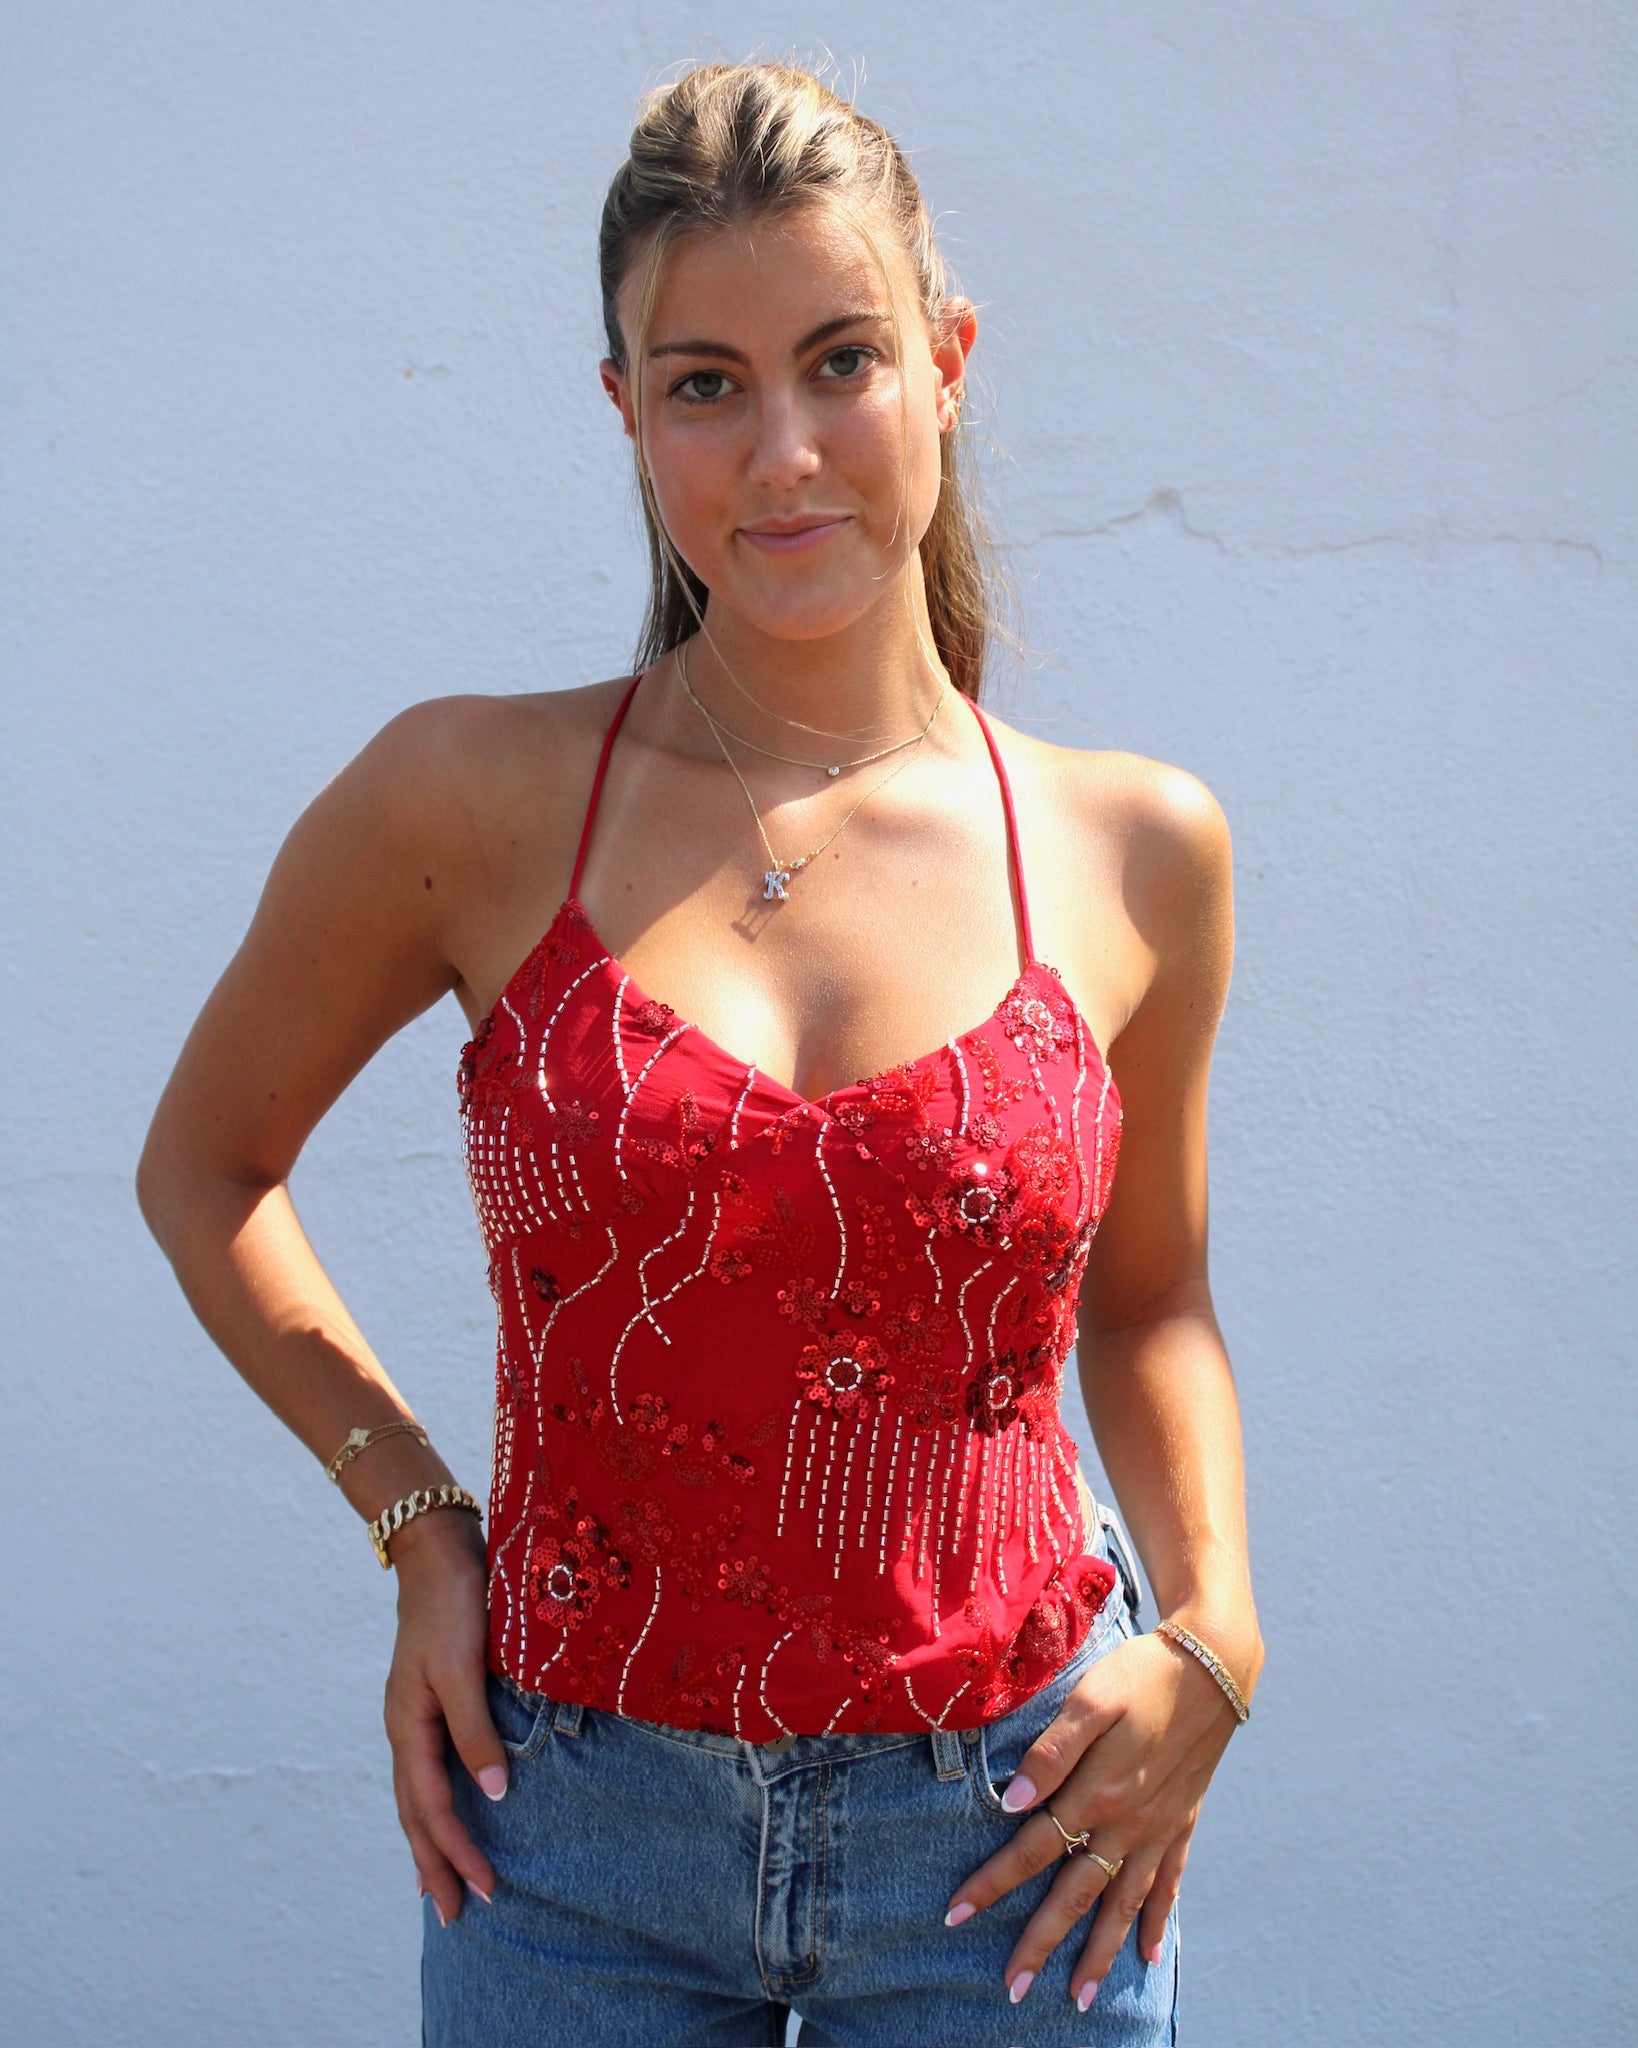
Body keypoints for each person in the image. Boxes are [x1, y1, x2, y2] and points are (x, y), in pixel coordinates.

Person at [137, 59, 1262, 2048]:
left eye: (842, 361)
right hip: (572, 1839)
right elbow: (207, 1167)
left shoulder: (1132, 847)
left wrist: (1218, 1636)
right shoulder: (468, 799)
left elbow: (1151, 1302)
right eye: (705, 385)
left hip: (1014, 1834)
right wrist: (416, 1522)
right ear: (626, 411)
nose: (784, 453)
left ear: (946, 362)